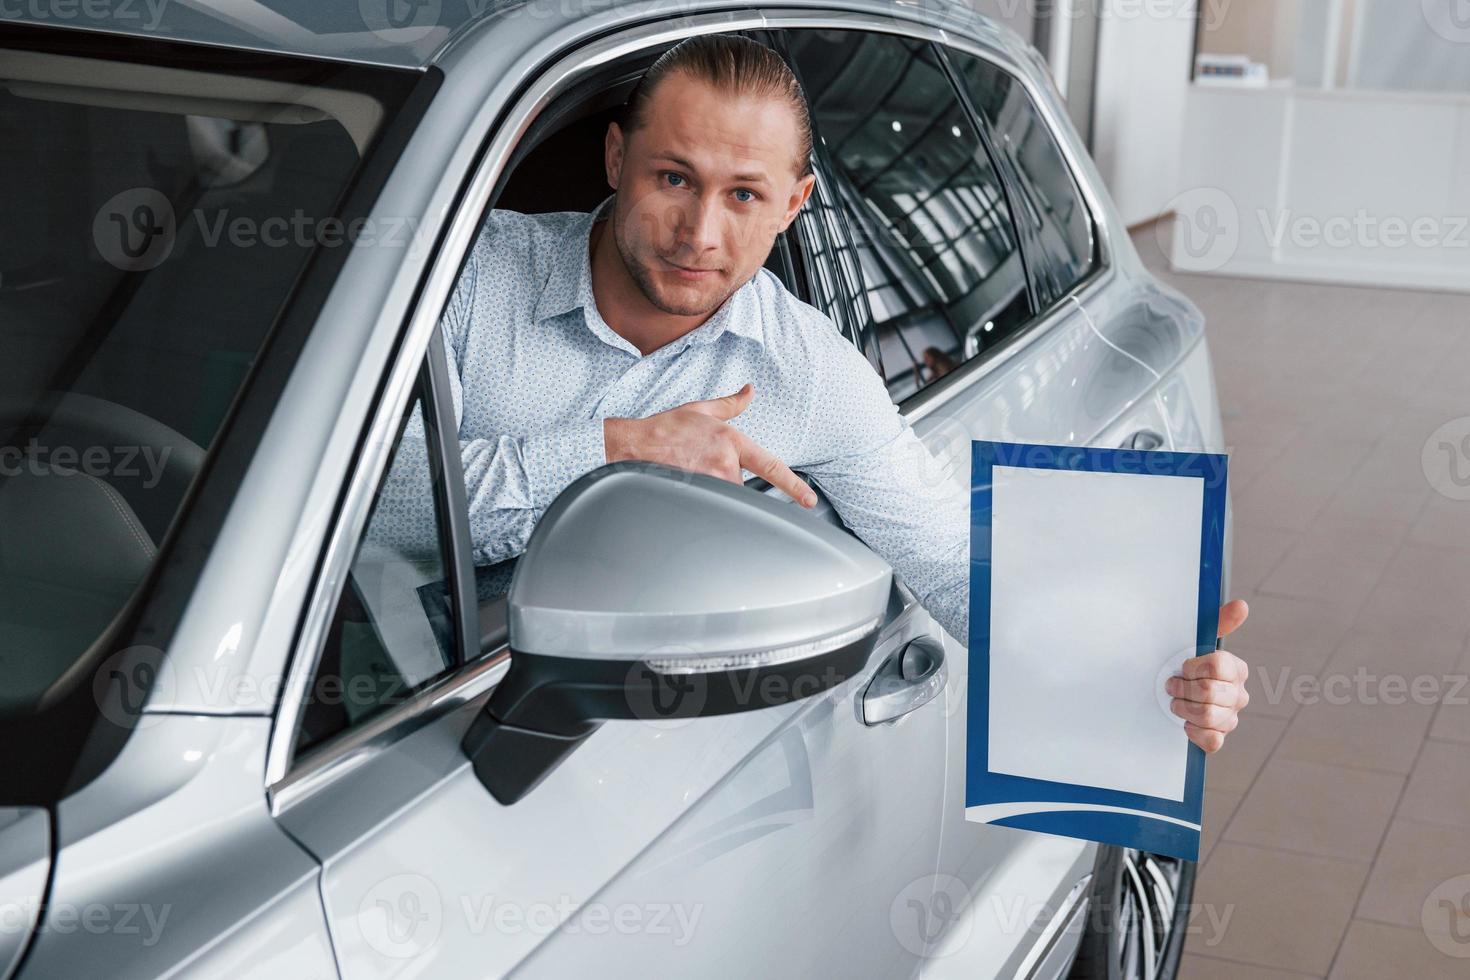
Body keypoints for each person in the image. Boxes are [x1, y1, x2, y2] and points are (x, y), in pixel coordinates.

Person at [376, 34, 1251, 753]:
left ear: (794, 205)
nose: (700, 233)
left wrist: (1153, 670)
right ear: (615, 158)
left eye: (744, 195)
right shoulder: (465, 276)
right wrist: (620, 450)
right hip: (372, 703)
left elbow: (955, 563)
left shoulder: (806, 371)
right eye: (672, 178)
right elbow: (362, 514)